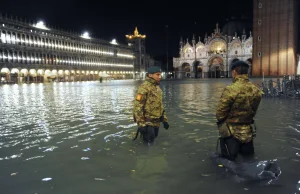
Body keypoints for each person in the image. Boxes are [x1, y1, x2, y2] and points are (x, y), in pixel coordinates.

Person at [216, 60, 263, 161]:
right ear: (247, 73)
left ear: (234, 72)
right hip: (248, 133)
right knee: (248, 160)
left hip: (231, 134)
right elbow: (253, 111)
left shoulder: (230, 89)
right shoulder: (256, 90)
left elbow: (220, 114)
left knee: (229, 162)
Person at [133, 66, 169, 143]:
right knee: (148, 144)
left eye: (160, 74)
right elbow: (137, 106)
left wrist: (164, 120)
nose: (160, 77)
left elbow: (160, 105)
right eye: (157, 74)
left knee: (153, 140)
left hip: (156, 122)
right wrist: (142, 124)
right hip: (147, 123)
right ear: (150, 75)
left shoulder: (157, 88)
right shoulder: (144, 88)